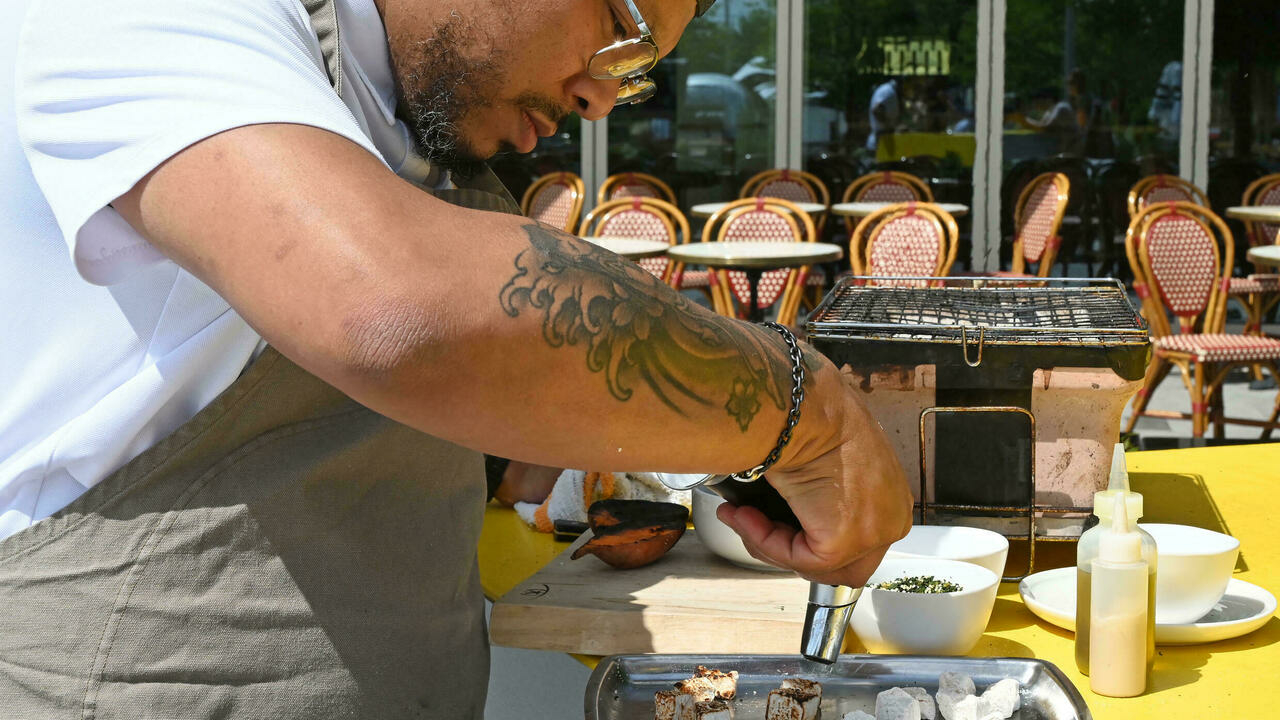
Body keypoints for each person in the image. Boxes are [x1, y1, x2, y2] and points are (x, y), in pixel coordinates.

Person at [1, 0, 913, 717]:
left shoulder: (420, 115)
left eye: (635, 79)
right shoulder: (140, 9)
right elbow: (391, 303)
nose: (600, 97)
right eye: (620, 30)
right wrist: (809, 417)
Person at [866, 77, 901, 153]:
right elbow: (876, 109)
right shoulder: (888, 90)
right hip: (881, 138)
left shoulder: (886, 89)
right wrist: (887, 125)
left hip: (883, 138)